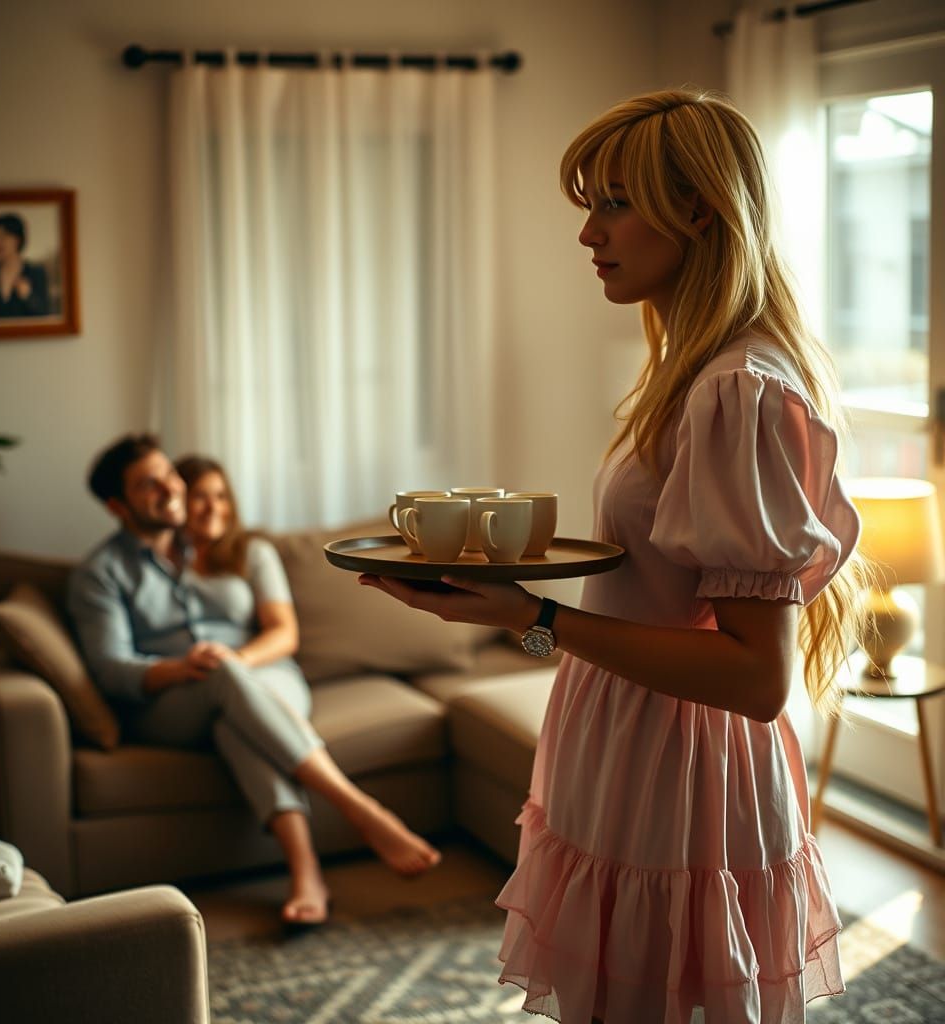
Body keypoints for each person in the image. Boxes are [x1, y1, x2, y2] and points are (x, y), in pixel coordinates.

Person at [360, 89, 868, 1023]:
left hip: (680, 768)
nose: (590, 231)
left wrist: (538, 619)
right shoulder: (686, 374)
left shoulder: (739, 391)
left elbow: (758, 678)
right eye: (589, 204)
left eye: (614, 202)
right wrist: (520, 619)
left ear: (700, 209)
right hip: (620, 735)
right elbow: (636, 605)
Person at [68, 435, 440, 929]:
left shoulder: (213, 543)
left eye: (168, 475)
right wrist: (180, 669)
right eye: (146, 485)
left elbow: (279, 630)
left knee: (234, 721)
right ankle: (360, 808)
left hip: (246, 685)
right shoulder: (101, 573)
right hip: (169, 702)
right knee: (226, 676)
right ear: (118, 505)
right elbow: (111, 669)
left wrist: (231, 661)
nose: (168, 489)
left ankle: (306, 873)